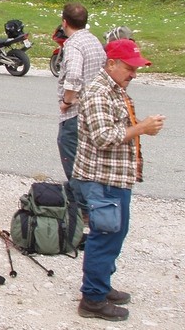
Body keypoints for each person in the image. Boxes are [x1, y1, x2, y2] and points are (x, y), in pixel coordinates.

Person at [71, 39, 165, 321]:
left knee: (115, 233)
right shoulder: (100, 92)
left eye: (136, 68)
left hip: (115, 177)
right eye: (130, 68)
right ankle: (93, 300)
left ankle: (100, 286)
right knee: (105, 236)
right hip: (101, 178)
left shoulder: (115, 88)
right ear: (111, 64)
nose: (134, 74)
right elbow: (103, 138)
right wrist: (141, 128)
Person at [57, 3, 106, 191]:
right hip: (93, 109)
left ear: (64, 22)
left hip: (75, 112)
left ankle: (81, 204)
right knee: (88, 158)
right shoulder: (93, 41)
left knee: (72, 156)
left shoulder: (74, 44)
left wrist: (66, 101)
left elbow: (74, 75)